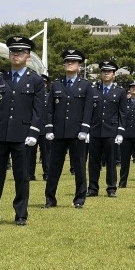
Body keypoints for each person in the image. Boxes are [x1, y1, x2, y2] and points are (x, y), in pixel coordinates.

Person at [0, 36, 46, 227]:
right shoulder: (1, 79)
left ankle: (21, 214)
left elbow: (38, 109)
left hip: (23, 136)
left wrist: (33, 132)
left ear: (28, 56)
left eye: (20, 52)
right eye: (13, 52)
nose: (16, 55)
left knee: (21, 176)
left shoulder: (35, 80)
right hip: (0, 134)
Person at [44, 49, 94, 208]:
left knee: (79, 167)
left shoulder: (86, 86)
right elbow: (49, 108)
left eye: (73, 61)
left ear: (79, 65)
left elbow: (88, 109)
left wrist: (85, 129)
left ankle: (79, 199)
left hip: (77, 133)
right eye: (67, 61)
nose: (69, 63)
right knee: (54, 168)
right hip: (58, 132)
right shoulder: (56, 85)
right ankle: (50, 199)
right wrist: (49, 128)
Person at [89, 60, 125, 198]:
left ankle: (111, 188)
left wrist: (120, 131)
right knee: (93, 161)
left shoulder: (120, 92)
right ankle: (93, 188)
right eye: (104, 71)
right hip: (95, 130)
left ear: (114, 74)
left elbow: (122, 113)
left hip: (111, 131)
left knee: (111, 162)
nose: (106, 74)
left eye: (109, 71)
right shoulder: (93, 90)